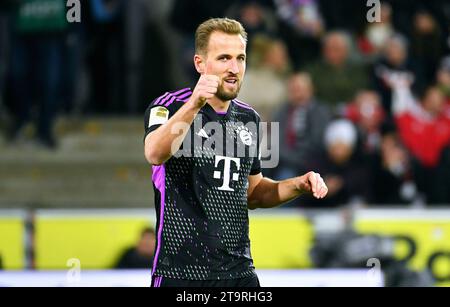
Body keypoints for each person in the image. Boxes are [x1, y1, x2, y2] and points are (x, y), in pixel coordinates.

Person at [143, 18, 328, 287]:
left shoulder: (248, 119)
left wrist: (297, 184)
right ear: (199, 63)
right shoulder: (169, 106)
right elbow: (154, 153)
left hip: (239, 274)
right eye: (224, 58)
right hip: (181, 274)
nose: (234, 68)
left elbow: (253, 193)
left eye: (240, 58)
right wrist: (194, 104)